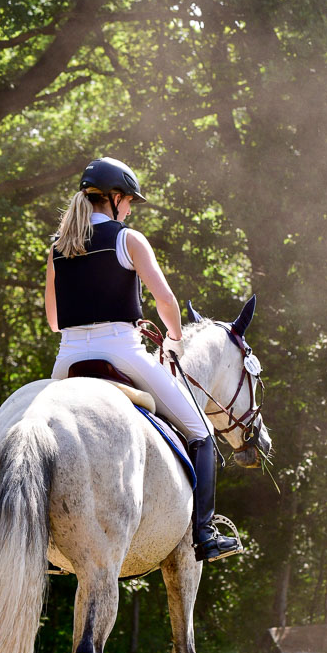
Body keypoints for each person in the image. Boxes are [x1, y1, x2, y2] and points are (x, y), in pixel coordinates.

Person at [45, 156, 240, 563]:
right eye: (129, 200)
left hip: (67, 358)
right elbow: (166, 301)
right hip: (122, 349)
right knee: (202, 433)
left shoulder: (58, 248)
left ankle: (45, 541)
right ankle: (204, 535)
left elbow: (52, 321)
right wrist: (173, 339)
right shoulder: (127, 239)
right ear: (114, 199)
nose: (131, 208)